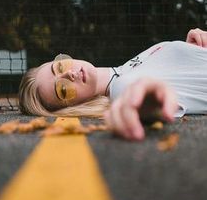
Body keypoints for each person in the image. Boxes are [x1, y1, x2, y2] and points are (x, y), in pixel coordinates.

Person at [18, 28, 207, 141]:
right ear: (73, 107)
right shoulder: (122, 88)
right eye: (63, 90)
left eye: (60, 66)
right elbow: (145, 97)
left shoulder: (127, 68)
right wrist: (146, 99)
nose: (69, 74)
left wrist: (190, 48)